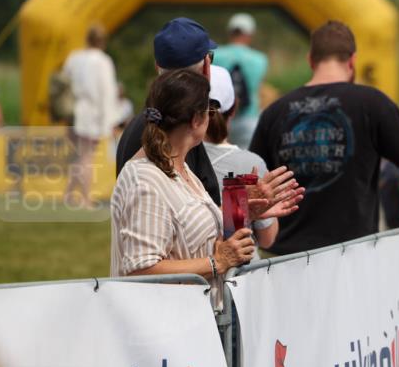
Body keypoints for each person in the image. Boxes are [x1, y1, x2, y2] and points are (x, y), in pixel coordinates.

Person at [249, 20, 399, 254]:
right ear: (353, 60)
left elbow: (254, 183)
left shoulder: (274, 112)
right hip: (353, 256)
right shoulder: (373, 103)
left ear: (310, 60)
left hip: (285, 260)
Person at [116, 17, 299, 217]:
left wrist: (243, 209)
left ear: (157, 66)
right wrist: (239, 210)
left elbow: (190, 222)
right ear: (206, 67)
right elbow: (177, 232)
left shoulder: (149, 126)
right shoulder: (177, 136)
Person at [110, 70, 253, 306]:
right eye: (209, 111)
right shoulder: (145, 179)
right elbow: (140, 270)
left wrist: (244, 211)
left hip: (191, 322)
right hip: (165, 329)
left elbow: (188, 234)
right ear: (197, 120)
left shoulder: (180, 170)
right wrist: (217, 262)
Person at [204, 65, 282, 256]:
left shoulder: (169, 158)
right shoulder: (250, 164)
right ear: (234, 108)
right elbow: (267, 239)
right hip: (239, 276)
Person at [61, 24, 120, 208]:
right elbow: (107, 93)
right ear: (102, 41)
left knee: (80, 155)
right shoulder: (103, 61)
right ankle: (85, 198)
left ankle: (69, 194)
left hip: (74, 110)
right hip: (92, 113)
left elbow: (64, 81)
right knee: (87, 156)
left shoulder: (74, 58)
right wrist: (110, 121)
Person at [212, 13, 269, 148]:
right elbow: (259, 89)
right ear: (249, 34)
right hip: (248, 117)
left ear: (230, 32)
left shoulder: (215, 54)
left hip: (219, 118)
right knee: (247, 162)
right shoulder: (260, 59)